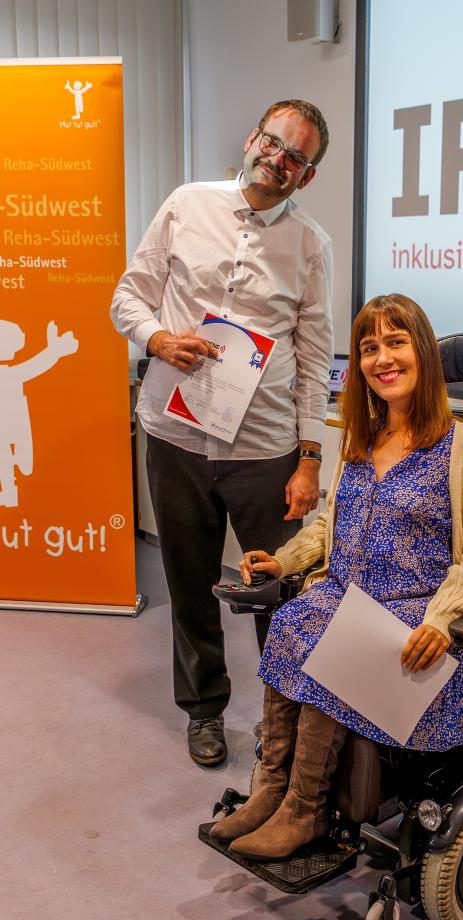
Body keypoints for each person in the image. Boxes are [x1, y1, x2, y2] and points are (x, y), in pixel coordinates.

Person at [210, 293, 463, 860]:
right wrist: (285, 560)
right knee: (292, 620)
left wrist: (441, 620)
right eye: (369, 347)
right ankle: (273, 790)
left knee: (334, 642)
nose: (382, 358)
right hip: (351, 600)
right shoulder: (363, 438)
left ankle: (305, 810)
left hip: (424, 621)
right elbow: (333, 525)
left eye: (396, 342)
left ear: (423, 352)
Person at [111, 100, 333, 767]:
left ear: (306, 176)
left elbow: (314, 357)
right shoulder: (187, 204)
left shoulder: (310, 244)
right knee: (189, 583)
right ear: (251, 140)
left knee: (277, 590)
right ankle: (203, 710)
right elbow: (127, 296)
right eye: (273, 142)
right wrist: (157, 339)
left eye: (296, 156)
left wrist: (309, 459)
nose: (278, 159)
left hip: (265, 450)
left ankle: (281, 717)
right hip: (175, 436)